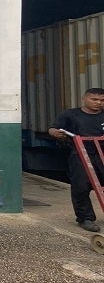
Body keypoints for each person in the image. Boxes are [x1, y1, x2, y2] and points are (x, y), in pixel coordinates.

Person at [47, 87, 104, 232]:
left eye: (102, 100)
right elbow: (53, 128)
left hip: (102, 154)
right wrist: (55, 133)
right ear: (84, 99)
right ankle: (85, 218)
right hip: (80, 155)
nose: (99, 103)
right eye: (94, 99)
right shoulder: (70, 114)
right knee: (81, 187)